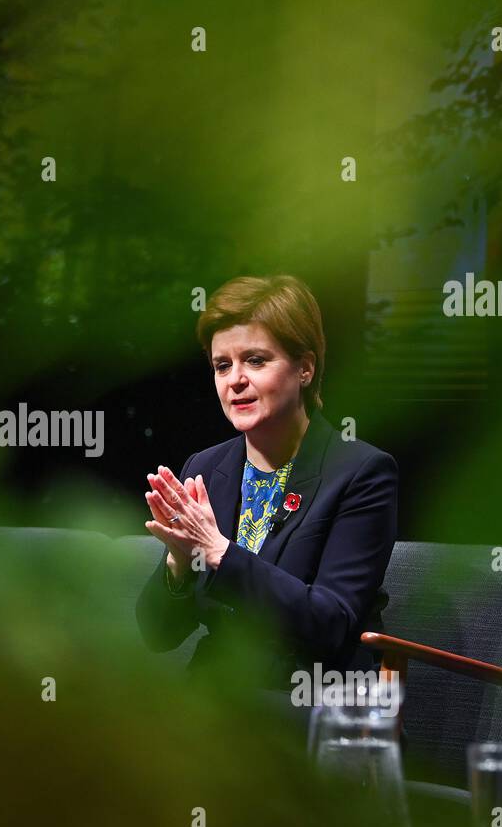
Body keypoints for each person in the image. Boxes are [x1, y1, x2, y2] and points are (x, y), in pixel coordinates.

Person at [135, 275, 398, 699]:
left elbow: (330, 625)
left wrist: (219, 552)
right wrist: (179, 567)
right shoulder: (205, 468)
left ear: (305, 368)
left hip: (314, 703)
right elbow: (157, 635)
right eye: (222, 365)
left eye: (255, 360)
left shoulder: (361, 473)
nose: (235, 379)